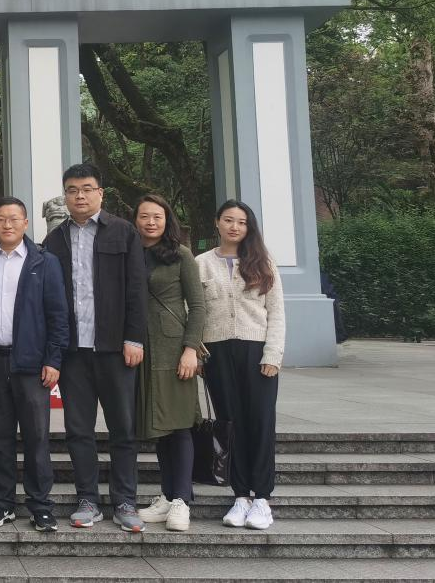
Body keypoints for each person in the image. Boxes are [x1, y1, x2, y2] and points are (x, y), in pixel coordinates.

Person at [42, 162, 147, 532]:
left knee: (123, 428)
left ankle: (125, 501)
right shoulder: (54, 240)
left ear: (100, 193)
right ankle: (87, 499)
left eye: (87, 189)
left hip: (115, 349)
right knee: (78, 429)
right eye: (72, 190)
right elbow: (49, 301)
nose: (80, 196)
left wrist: (134, 338)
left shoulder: (123, 232)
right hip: (74, 353)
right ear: (65, 196)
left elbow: (137, 288)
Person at [0, 197, 69, 532]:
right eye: (1, 218)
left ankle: (41, 506)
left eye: (14, 218)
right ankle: (2, 504)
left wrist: (53, 359)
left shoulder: (45, 262)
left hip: (32, 365)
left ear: (26, 223)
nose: (7, 224)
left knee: (36, 438)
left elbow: (58, 315)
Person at [197, 199, 285, 531]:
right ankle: (240, 496)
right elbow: (195, 311)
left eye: (242, 222)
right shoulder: (201, 263)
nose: (235, 227)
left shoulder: (263, 262)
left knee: (260, 422)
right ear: (217, 223)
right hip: (217, 353)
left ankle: (261, 497)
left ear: (249, 227)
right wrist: (198, 351)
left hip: (256, 351)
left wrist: (272, 355)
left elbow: (276, 312)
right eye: (229, 220)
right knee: (229, 424)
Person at [132, 194, 205, 532]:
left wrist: (190, 350)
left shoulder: (181, 255)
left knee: (180, 425)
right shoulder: (131, 253)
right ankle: (167, 494)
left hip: (173, 350)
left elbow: (198, 306)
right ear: (135, 220)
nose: (151, 222)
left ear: (167, 220)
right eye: (144, 216)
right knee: (160, 428)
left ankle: (182, 500)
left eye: (157, 217)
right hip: (140, 351)